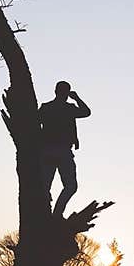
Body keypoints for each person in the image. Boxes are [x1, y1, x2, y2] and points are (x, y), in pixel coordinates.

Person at [38, 80, 91, 217]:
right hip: (58, 151)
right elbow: (86, 112)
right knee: (68, 186)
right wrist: (77, 98)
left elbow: (86, 113)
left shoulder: (47, 107)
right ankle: (55, 214)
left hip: (51, 151)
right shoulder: (68, 108)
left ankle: (53, 214)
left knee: (46, 187)